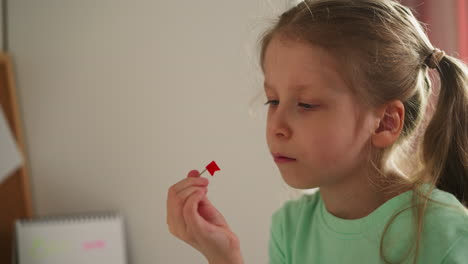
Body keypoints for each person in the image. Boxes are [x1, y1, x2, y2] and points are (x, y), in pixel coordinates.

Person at [166, 0, 468, 263]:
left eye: (307, 105)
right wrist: (223, 256)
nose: (276, 127)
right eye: (273, 101)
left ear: (386, 121)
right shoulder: (291, 228)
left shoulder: (445, 234)